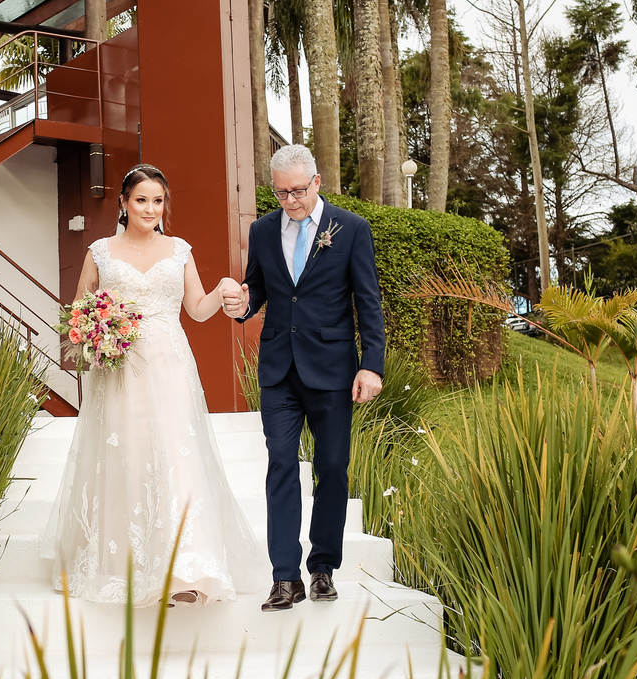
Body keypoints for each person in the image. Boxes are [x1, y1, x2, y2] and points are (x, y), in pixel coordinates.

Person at [41, 165, 263, 607]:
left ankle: (187, 566)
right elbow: (79, 313)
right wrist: (94, 331)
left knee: (176, 456)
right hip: (118, 370)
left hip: (169, 364)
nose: (150, 209)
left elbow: (197, 310)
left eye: (158, 201)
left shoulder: (180, 250)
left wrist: (222, 290)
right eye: (141, 199)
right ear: (124, 203)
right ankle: (126, 563)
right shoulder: (100, 252)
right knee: (125, 457)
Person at [221, 145, 386, 612]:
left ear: (317, 182)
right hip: (278, 368)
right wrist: (242, 306)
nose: (290, 200)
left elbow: (367, 303)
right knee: (280, 464)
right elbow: (257, 291)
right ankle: (284, 577)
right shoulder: (261, 230)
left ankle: (322, 568)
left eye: (298, 190)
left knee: (332, 468)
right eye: (281, 193)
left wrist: (371, 364)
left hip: (332, 368)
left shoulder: (351, 229)